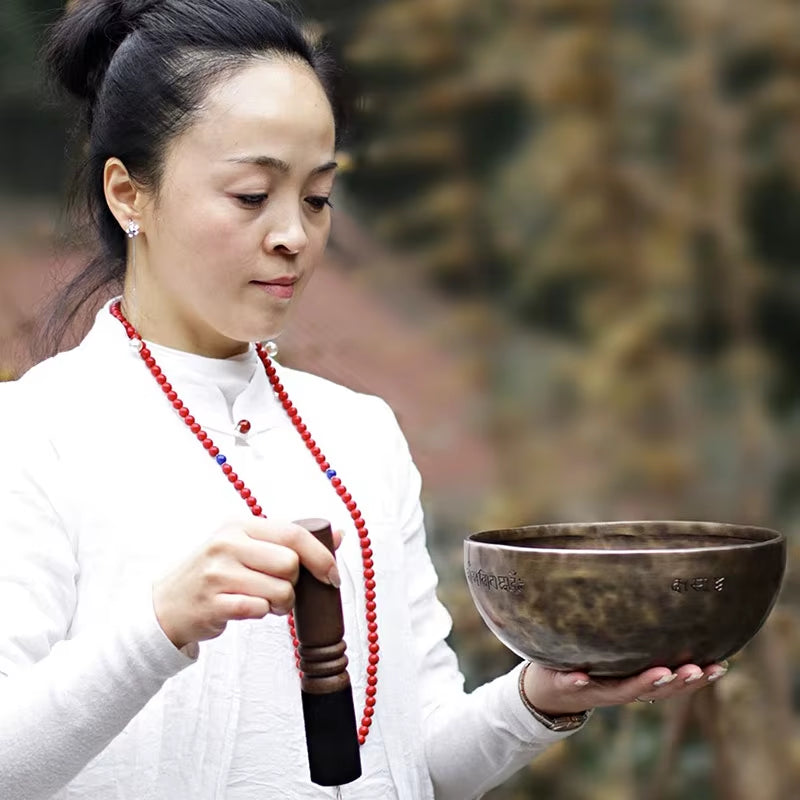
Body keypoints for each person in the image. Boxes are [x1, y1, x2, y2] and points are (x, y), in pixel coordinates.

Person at [0, 1, 728, 798]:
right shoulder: (38, 436)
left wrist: (539, 698)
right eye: (251, 195)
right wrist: (162, 621)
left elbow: (414, 765)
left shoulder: (357, 434)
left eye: (316, 198)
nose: (294, 236)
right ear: (127, 194)